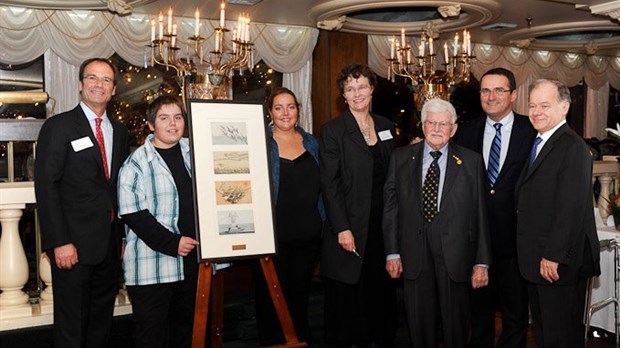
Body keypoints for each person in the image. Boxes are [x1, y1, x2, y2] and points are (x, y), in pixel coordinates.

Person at [34, 58, 129, 347]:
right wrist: (59, 241)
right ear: (80, 85)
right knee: (71, 328)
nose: (99, 85)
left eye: (106, 80)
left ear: (113, 90)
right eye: (92, 78)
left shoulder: (120, 131)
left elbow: (118, 187)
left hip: (109, 247)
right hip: (71, 247)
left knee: (101, 325)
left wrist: (122, 236)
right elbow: (46, 187)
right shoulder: (59, 127)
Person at [383, 98, 492, 348]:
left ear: (453, 129)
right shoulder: (400, 158)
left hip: (456, 257)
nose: (437, 128)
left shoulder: (471, 162)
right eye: (431, 122)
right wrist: (392, 253)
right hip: (413, 255)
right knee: (419, 327)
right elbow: (391, 209)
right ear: (423, 126)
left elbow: (481, 214)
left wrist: (481, 262)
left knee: (456, 328)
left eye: (444, 124)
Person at [452, 68, 535, 348]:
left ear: (513, 95)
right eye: (485, 90)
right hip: (477, 242)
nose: (491, 96)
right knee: (480, 314)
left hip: (516, 240)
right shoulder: (465, 133)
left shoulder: (532, 130)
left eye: (499, 90)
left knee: (515, 315)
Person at [516, 79, 600, 347]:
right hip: (538, 258)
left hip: (556, 263)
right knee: (545, 333)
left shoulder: (572, 147)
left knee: (560, 336)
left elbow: (571, 207)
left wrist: (553, 255)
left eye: (544, 105)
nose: (536, 111)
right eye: (532, 105)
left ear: (564, 107)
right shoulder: (541, 141)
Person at [320, 63, 397, 347]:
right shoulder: (333, 131)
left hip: (382, 227)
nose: (357, 93)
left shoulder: (387, 127)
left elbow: (393, 175)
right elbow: (330, 184)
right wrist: (342, 227)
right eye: (350, 89)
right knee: (349, 296)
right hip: (350, 227)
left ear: (372, 88)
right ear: (343, 95)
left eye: (361, 87)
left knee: (379, 292)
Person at [117, 95, 199, 348]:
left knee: (186, 332)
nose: (173, 124)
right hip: (153, 266)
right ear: (151, 125)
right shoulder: (135, 164)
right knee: (151, 337)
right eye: (164, 118)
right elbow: (134, 215)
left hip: (193, 263)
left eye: (177, 117)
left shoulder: (195, 153)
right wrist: (172, 243)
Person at [254, 87, 324, 345]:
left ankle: (298, 341)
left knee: (300, 297)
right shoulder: (261, 142)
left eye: (291, 107)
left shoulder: (313, 142)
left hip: (308, 236)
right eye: (279, 107)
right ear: (270, 112)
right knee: (269, 299)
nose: (286, 113)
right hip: (272, 239)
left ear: (298, 110)